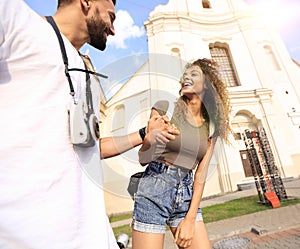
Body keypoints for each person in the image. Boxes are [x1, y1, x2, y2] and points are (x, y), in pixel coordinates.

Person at [0, 0, 178, 249]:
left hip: (93, 236)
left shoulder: (86, 74)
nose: (114, 30)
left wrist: (143, 134)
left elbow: (91, 150)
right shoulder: (18, 22)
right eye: (111, 16)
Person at [132, 58, 231, 249]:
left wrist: (190, 218)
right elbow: (143, 159)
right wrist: (149, 140)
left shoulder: (212, 124)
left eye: (194, 74)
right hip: (154, 187)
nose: (186, 78)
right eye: (185, 75)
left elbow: (200, 175)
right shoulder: (165, 107)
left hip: (186, 193)